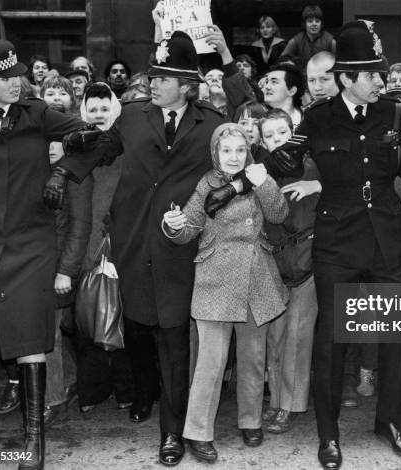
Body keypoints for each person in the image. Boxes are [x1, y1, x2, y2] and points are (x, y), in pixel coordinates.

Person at [43, 31, 225, 467]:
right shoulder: (132, 115)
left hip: (182, 249)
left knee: (176, 344)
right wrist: (62, 172)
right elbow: (102, 151)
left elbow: (237, 163)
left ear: (187, 84)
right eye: (154, 75)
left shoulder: (213, 123)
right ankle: (144, 396)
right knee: (140, 331)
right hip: (133, 246)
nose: (154, 82)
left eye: (164, 77)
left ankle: (172, 434)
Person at [294, 21, 401, 469]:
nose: (381, 81)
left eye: (381, 73)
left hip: (386, 237)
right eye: (371, 74)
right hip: (338, 238)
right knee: (332, 339)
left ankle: (392, 423)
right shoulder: (318, 117)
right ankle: (329, 433)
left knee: (396, 334)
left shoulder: (394, 113)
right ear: (346, 79)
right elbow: (285, 155)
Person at [0, 38, 91, 470]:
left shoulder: (38, 113)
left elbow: (96, 139)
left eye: (18, 75)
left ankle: (32, 443)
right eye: (6, 78)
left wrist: (63, 171)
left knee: (29, 336)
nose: (17, 83)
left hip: (30, 244)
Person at [162, 122, 288, 461]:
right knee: (211, 362)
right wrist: (172, 226)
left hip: (256, 277)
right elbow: (188, 228)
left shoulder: (259, 177)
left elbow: (279, 213)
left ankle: (251, 421)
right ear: (215, 152)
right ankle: (198, 432)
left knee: (252, 358)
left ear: (248, 151)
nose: (233, 157)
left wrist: (264, 183)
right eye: (226, 150)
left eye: (239, 150)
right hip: (215, 278)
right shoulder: (207, 183)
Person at [74, 82, 135, 416]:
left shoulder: (125, 148)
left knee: (120, 321)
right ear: (84, 112)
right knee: (88, 320)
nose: (99, 115)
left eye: (104, 108)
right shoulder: (76, 148)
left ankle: (126, 390)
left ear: (115, 110)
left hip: (119, 244)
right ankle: (92, 391)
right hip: (86, 245)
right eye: (92, 109)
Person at [261, 109, 320, 434]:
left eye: (280, 134)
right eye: (268, 136)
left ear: (293, 132)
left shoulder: (312, 166)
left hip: (306, 261)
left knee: (298, 336)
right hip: (275, 264)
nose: (275, 141)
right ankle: (275, 402)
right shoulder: (264, 173)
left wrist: (316, 185)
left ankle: (291, 405)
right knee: (276, 335)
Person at [39, 76, 90, 425]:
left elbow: (80, 226)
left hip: (58, 268)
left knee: (50, 334)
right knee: (48, 334)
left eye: (56, 142)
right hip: (33, 264)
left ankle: (55, 399)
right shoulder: (36, 171)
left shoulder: (75, 175)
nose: (50, 147)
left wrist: (65, 271)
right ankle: (66, 383)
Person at [263, 62, 304, 127]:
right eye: (267, 82)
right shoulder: (258, 119)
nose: (267, 87)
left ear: (292, 91)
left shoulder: (308, 119)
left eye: (274, 82)